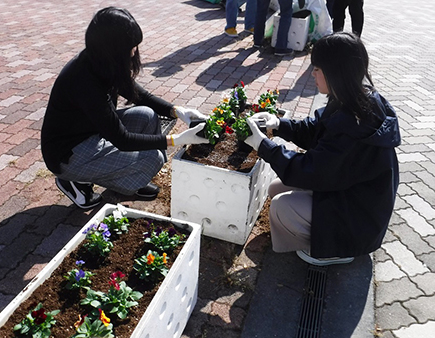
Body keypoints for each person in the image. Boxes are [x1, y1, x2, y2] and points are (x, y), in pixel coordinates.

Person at [244, 32, 400, 266]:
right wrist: (278, 125)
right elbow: (316, 130)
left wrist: (263, 147)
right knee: (276, 188)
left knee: (281, 207)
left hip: (358, 220)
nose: (312, 74)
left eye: (317, 69)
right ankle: (322, 235)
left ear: (337, 73)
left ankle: (336, 251)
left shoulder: (354, 123)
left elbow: (311, 170)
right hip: (352, 195)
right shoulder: (355, 98)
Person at [41, 7, 209, 209]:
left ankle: (128, 182)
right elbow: (122, 139)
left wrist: (178, 111)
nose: (134, 51)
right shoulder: (84, 80)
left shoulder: (101, 61)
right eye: (131, 46)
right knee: (151, 158)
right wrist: (176, 140)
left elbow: (140, 96)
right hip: (68, 155)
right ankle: (73, 181)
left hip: (89, 132)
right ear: (113, 48)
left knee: (146, 116)